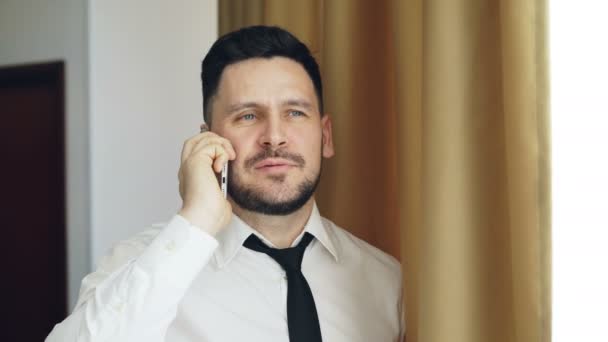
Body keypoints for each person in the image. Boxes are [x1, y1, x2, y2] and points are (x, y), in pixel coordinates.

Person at [47, 25, 404, 342]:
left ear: (325, 136)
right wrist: (196, 219)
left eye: (295, 112)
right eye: (248, 116)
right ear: (208, 141)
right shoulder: (140, 266)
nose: (275, 137)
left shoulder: (385, 280)